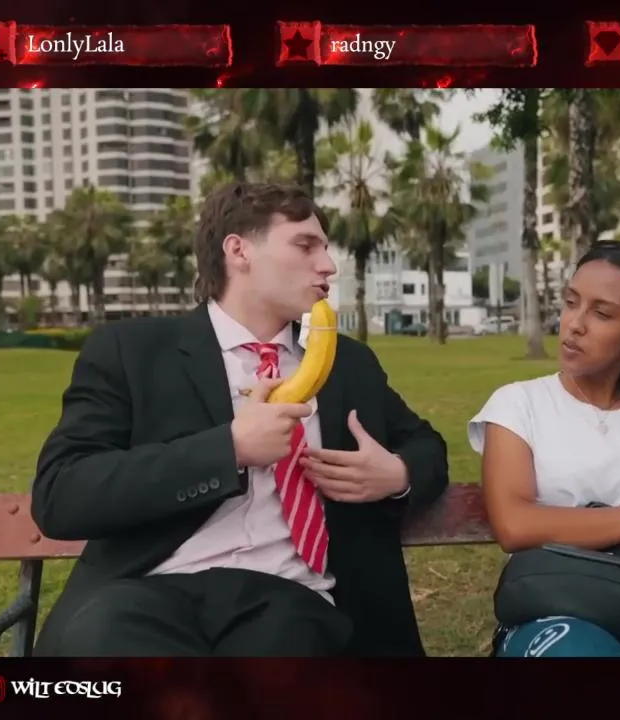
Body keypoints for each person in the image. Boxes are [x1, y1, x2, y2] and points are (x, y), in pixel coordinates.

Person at [30, 182, 449, 657]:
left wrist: (397, 474)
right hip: (145, 593)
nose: (328, 265)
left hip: (292, 601)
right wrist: (228, 449)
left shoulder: (347, 364)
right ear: (239, 251)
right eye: (305, 245)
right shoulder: (133, 352)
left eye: (326, 248)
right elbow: (61, 494)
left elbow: (426, 447)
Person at [469, 241, 620, 657]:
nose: (574, 324)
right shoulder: (519, 403)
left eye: (601, 313)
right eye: (571, 303)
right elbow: (515, 525)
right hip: (557, 611)